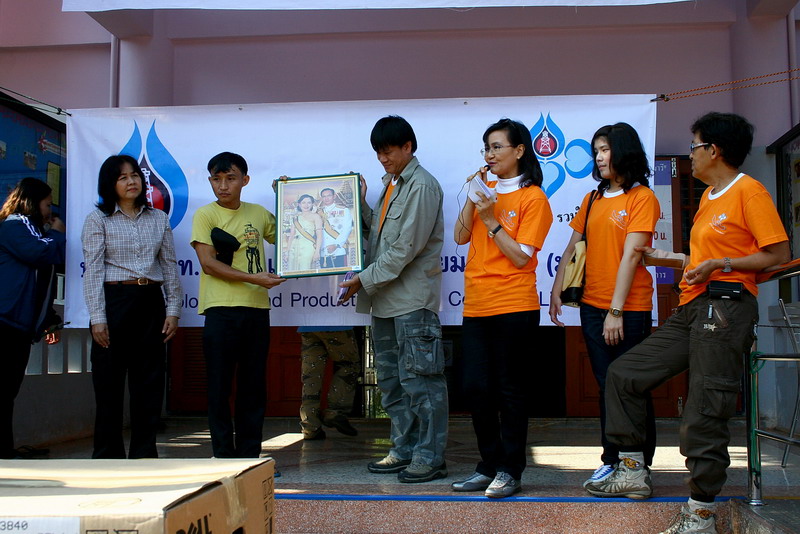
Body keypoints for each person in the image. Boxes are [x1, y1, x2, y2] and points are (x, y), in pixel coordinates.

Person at [586, 112, 790, 534]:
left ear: (714, 150)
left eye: (694, 146)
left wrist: (722, 264)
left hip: (727, 307)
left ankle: (700, 512)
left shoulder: (748, 191)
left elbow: (778, 254)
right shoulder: (709, 197)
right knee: (625, 374)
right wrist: (676, 260)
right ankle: (631, 470)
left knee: (703, 406)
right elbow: (705, 259)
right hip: (693, 305)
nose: (690, 154)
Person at [549, 123, 660, 490]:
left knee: (630, 387)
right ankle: (611, 460)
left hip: (629, 308)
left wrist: (616, 311)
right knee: (605, 386)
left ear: (624, 151)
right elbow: (573, 247)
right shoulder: (592, 198)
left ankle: (638, 464)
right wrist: (557, 288)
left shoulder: (642, 197)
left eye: (605, 150)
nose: (598, 157)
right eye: (596, 150)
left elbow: (632, 256)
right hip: (592, 306)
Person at [339, 115, 448, 483]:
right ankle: (403, 449)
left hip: (412, 301)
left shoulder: (423, 185)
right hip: (384, 300)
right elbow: (379, 234)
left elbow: (405, 248)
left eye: (388, 151)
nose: (383, 159)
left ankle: (429, 456)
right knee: (391, 381)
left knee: (421, 381)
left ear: (408, 147)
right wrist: (358, 202)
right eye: (378, 153)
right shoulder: (392, 185)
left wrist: (362, 280)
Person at [451, 118, 553, 498]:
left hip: (514, 305)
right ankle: (488, 464)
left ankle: (510, 469)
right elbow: (460, 236)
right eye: (486, 148)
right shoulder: (487, 192)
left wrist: (492, 220)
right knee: (475, 387)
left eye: (497, 147)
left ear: (519, 150)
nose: (489, 155)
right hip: (477, 305)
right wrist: (473, 197)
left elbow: (522, 258)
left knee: (510, 389)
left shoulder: (533, 198)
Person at [81, 155, 182, 459]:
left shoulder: (159, 218)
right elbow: (93, 271)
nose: (131, 181)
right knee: (108, 384)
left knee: (149, 383)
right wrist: (98, 318)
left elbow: (169, 265)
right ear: (110, 184)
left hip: (150, 302)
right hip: (115, 302)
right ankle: (107, 455)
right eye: (122, 177)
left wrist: (173, 309)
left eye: (135, 175)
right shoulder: (98, 219)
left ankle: (144, 453)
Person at [191, 151, 285, 458]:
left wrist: (288, 199)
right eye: (216, 179)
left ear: (245, 180)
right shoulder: (205, 215)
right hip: (220, 310)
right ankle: (222, 456)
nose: (223, 186)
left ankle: (249, 456)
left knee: (253, 387)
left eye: (230, 178)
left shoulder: (258, 213)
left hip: (256, 310)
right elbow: (208, 264)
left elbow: (291, 238)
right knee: (219, 387)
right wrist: (255, 279)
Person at [0, 178, 65, 460]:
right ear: (32, 203)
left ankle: (5, 450)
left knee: (8, 389)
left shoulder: (31, 231)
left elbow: (39, 283)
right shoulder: (16, 225)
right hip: (6, 321)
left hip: (18, 325)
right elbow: (40, 253)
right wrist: (58, 234)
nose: (50, 213)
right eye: (47, 205)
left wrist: (48, 319)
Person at [299, 327, 360, 440]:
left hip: (308, 324)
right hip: (336, 323)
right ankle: (335, 411)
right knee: (349, 364)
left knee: (311, 374)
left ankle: (310, 425)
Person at [287, 194, 323, 271]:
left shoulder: (316, 217)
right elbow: (291, 235)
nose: (306, 205)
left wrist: (317, 251)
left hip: (308, 247)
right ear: (299, 204)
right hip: (294, 247)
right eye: (303, 203)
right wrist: (288, 251)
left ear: (312, 204)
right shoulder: (295, 218)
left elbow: (319, 236)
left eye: (309, 203)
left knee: (306, 269)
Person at [319, 187, 353, 268]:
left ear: (334, 196)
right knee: (324, 275)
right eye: (324, 196)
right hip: (323, 251)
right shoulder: (318, 212)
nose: (326, 198)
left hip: (338, 250)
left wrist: (336, 245)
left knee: (340, 275)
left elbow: (347, 229)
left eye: (329, 195)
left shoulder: (343, 210)